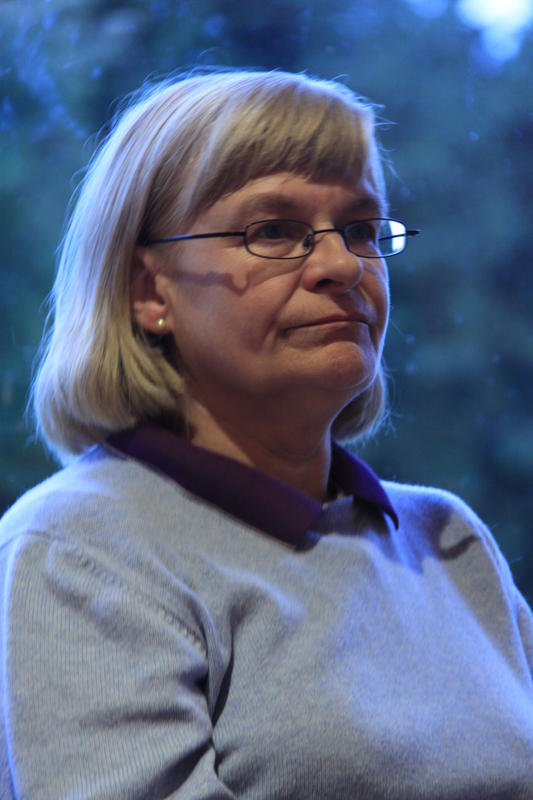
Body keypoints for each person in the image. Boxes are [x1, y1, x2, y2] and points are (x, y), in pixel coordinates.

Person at [0, 69, 531, 800]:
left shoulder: (448, 540)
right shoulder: (79, 551)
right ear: (149, 292)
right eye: (274, 231)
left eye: (360, 230)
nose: (342, 266)